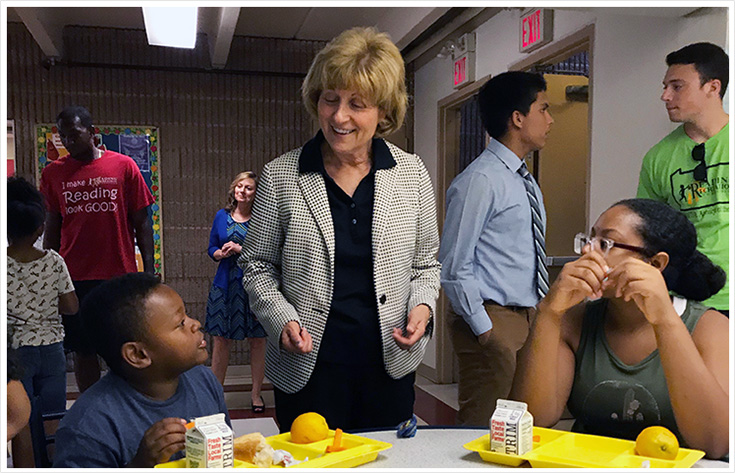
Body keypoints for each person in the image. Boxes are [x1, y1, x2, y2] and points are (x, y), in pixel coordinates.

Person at [239, 26, 440, 432]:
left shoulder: (412, 174)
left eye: (357, 104)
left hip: (388, 363)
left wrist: (422, 308)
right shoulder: (282, 175)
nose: (339, 116)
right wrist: (281, 321)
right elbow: (258, 266)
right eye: (330, 100)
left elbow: (426, 265)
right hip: (309, 367)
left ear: (384, 111)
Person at [510, 198, 728, 459]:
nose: (586, 252)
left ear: (656, 264)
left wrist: (665, 320)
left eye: (605, 243)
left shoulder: (710, 328)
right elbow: (532, 421)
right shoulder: (573, 321)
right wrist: (548, 312)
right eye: (589, 240)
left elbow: (716, 443)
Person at [438, 71, 553, 426]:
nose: (550, 119)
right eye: (544, 109)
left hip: (527, 315)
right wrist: (484, 328)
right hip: (493, 319)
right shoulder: (480, 180)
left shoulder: (524, 179)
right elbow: (454, 263)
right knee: (484, 428)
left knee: (521, 428)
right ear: (518, 118)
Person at [53, 273, 230, 467]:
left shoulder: (204, 380)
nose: (195, 324)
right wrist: (139, 464)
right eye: (180, 323)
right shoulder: (88, 428)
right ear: (138, 354)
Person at [40, 105, 156, 393]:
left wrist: (149, 273)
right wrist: (48, 274)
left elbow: (142, 223)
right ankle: (90, 407)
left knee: (124, 346)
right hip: (74, 276)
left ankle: (128, 404)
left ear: (92, 133)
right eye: (63, 137)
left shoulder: (123, 166)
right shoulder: (53, 174)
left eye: (74, 135)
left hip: (118, 274)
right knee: (83, 348)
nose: (68, 142)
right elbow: (52, 227)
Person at [637, 42, 729, 316]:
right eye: (665, 86)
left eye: (677, 87)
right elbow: (648, 234)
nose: (665, 96)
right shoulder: (658, 158)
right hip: (685, 299)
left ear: (712, 87)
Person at [7, 176, 79, 467]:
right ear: (40, 228)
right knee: (52, 417)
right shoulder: (54, 261)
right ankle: (53, 464)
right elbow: (71, 306)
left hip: (14, 352)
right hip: (51, 350)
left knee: (19, 419)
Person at [205, 171, 267, 413]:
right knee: (220, 340)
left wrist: (241, 248)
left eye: (249, 187)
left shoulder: (262, 219)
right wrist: (219, 253)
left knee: (257, 341)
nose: (243, 191)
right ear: (234, 189)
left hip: (253, 287)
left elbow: (266, 251)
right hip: (225, 285)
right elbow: (211, 246)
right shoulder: (222, 216)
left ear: (256, 193)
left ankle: (256, 394)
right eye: (239, 186)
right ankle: (216, 395)